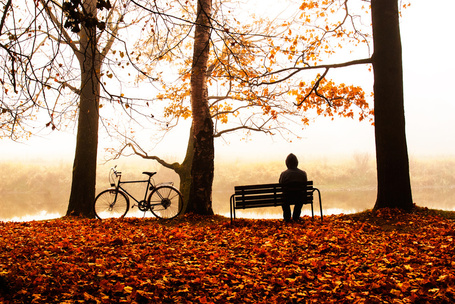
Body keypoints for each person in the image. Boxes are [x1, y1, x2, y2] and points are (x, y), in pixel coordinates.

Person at [279, 153, 308, 222]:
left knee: (284, 198)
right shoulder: (303, 173)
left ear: (287, 163)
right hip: (300, 198)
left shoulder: (284, 174)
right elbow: (305, 186)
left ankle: (287, 217)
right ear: (296, 163)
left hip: (287, 198)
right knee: (300, 197)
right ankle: (296, 216)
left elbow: (281, 186)